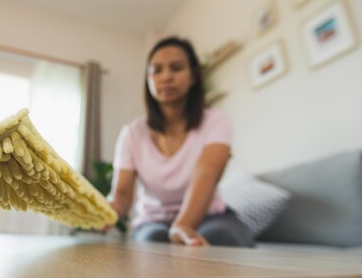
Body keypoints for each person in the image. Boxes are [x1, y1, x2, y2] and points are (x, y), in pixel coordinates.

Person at [106, 36, 254, 247]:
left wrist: (183, 225)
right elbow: (121, 195)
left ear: (193, 76)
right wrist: (102, 212)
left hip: (209, 215)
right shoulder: (132, 134)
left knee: (222, 236)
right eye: (156, 70)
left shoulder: (216, 120)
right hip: (152, 221)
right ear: (148, 79)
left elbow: (206, 175)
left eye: (176, 68)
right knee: (152, 241)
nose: (166, 76)